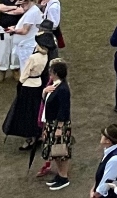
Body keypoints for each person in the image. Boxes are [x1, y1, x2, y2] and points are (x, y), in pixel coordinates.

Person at [39, 59, 75, 190]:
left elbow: (63, 110)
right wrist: (44, 92)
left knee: (61, 152)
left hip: (59, 125)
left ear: (56, 73)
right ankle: (60, 175)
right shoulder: (55, 85)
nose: (50, 73)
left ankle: (64, 177)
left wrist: (59, 127)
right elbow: (48, 104)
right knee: (55, 153)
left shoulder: (63, 89)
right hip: (51, 123)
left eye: (51, 71)